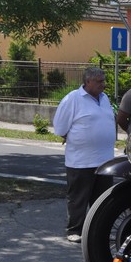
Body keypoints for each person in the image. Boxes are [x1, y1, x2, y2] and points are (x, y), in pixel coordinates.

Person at [53, 67, 116, 243]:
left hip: (105, 161)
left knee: (102, 200)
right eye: (99, 81)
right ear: (87, 81)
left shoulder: (104, 98)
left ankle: (98, 231)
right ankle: (75, 230)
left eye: (103, 80)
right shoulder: (73, 99)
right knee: (78, 199)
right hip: (81, 161)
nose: (103, 84)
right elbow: (60, 127)